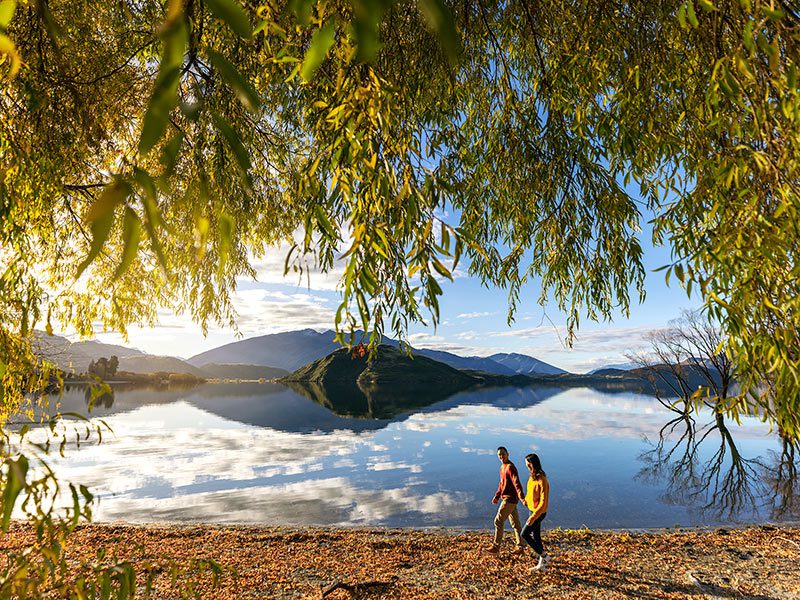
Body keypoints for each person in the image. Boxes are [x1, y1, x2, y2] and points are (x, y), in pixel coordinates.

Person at [485, 446, 526, 555]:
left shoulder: (510, 467)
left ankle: (496, 546)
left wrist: (522, 497)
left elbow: (517, 483)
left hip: (510, 499)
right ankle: (520, 547)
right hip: (507, 498)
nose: (501, 456)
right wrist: (497, 496)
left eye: (503, 454)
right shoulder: (502, 467)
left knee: (498, 521)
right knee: (516, 524)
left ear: (507, 454)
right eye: (499, 455)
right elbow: (501, 483)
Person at [521, 453, 550, 571]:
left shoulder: (542, 480)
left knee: (524, 534)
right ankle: (541, 565)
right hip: (531, 510)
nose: (528, 468)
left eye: (529, 465)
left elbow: (543, 503)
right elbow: (531, 493)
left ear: (534, 464)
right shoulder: (532, 477)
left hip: (539, 513)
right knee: (536, 536)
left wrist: (533, 517)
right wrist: (526, 501)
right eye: (527, 466)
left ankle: (544, 556)